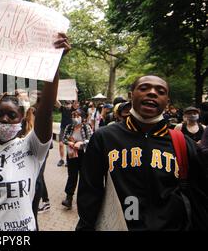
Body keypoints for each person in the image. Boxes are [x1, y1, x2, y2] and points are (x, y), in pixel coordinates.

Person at [0, 33, 71, 231]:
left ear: (22, 120)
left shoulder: (31, 148)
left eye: (11, 115)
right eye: (0, 114)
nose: (5, 119)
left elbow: (46, 109)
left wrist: (53, 63)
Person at [76, 75, 208, 230]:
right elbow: (90, 191)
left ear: (167, 102)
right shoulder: (104, 137)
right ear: (131, 95)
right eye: (144, 88)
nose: (152, 93)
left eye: (160, 91)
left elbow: (200, 198)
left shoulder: (183, 143)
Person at [61, 109, 92, 210]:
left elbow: (91, 139)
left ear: (82, 118)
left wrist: (81, 143)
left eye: (77, 115)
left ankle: (83, 199)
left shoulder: (86, 127)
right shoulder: (69, 127)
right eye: (73, 116)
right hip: (72, 154)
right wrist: (68, 143)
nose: (75, 118)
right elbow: (64, 138)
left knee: (84, 176)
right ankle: (69, 198)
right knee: (72, 176)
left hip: (83, 154)